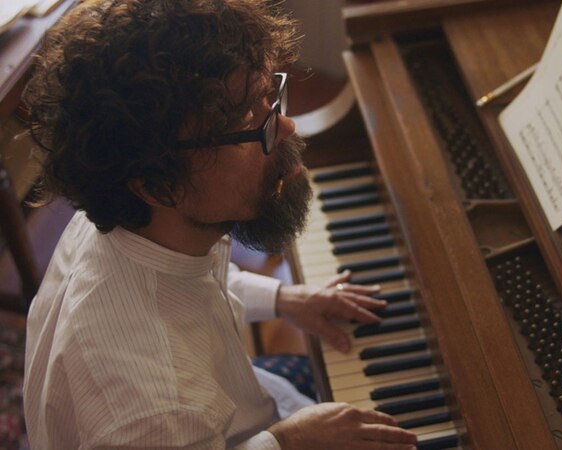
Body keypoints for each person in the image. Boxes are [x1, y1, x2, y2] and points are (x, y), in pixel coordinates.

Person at [21, 0, 419, 449]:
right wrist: (289, 441)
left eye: (270, 96)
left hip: (237, 405)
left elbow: (192, 287)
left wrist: (285, 299)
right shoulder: (151, 413)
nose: (285, 125)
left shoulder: (134, 225)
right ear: (156, 184)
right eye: (250, 121)